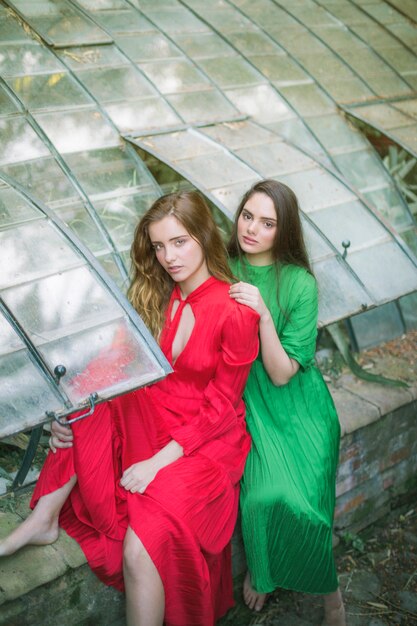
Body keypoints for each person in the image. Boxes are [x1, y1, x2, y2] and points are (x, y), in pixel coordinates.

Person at [0, 191, 259, 626]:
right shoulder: (156, 296)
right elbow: (119, 363)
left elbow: (220, 407)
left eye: (179, 242)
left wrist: (158, 463)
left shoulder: (234, 310)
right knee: (95, 394)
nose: (168, 257)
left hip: (203, 444)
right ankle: (43, 517)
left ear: (203, 236)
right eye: (159, 247)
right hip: (154, 418)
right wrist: (71, 413)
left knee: (141, 550)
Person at [228, 180, 346, 626]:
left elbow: (281, 373)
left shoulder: (300, 284)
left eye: (267, 222)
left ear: (284, 230)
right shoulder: (222, 266)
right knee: (260, 496)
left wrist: (260, 310)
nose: (252, 228)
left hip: (299, 409)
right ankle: (263, 573)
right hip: (251, 403)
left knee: (305, 508)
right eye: (247, 215)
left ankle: (331, 597)